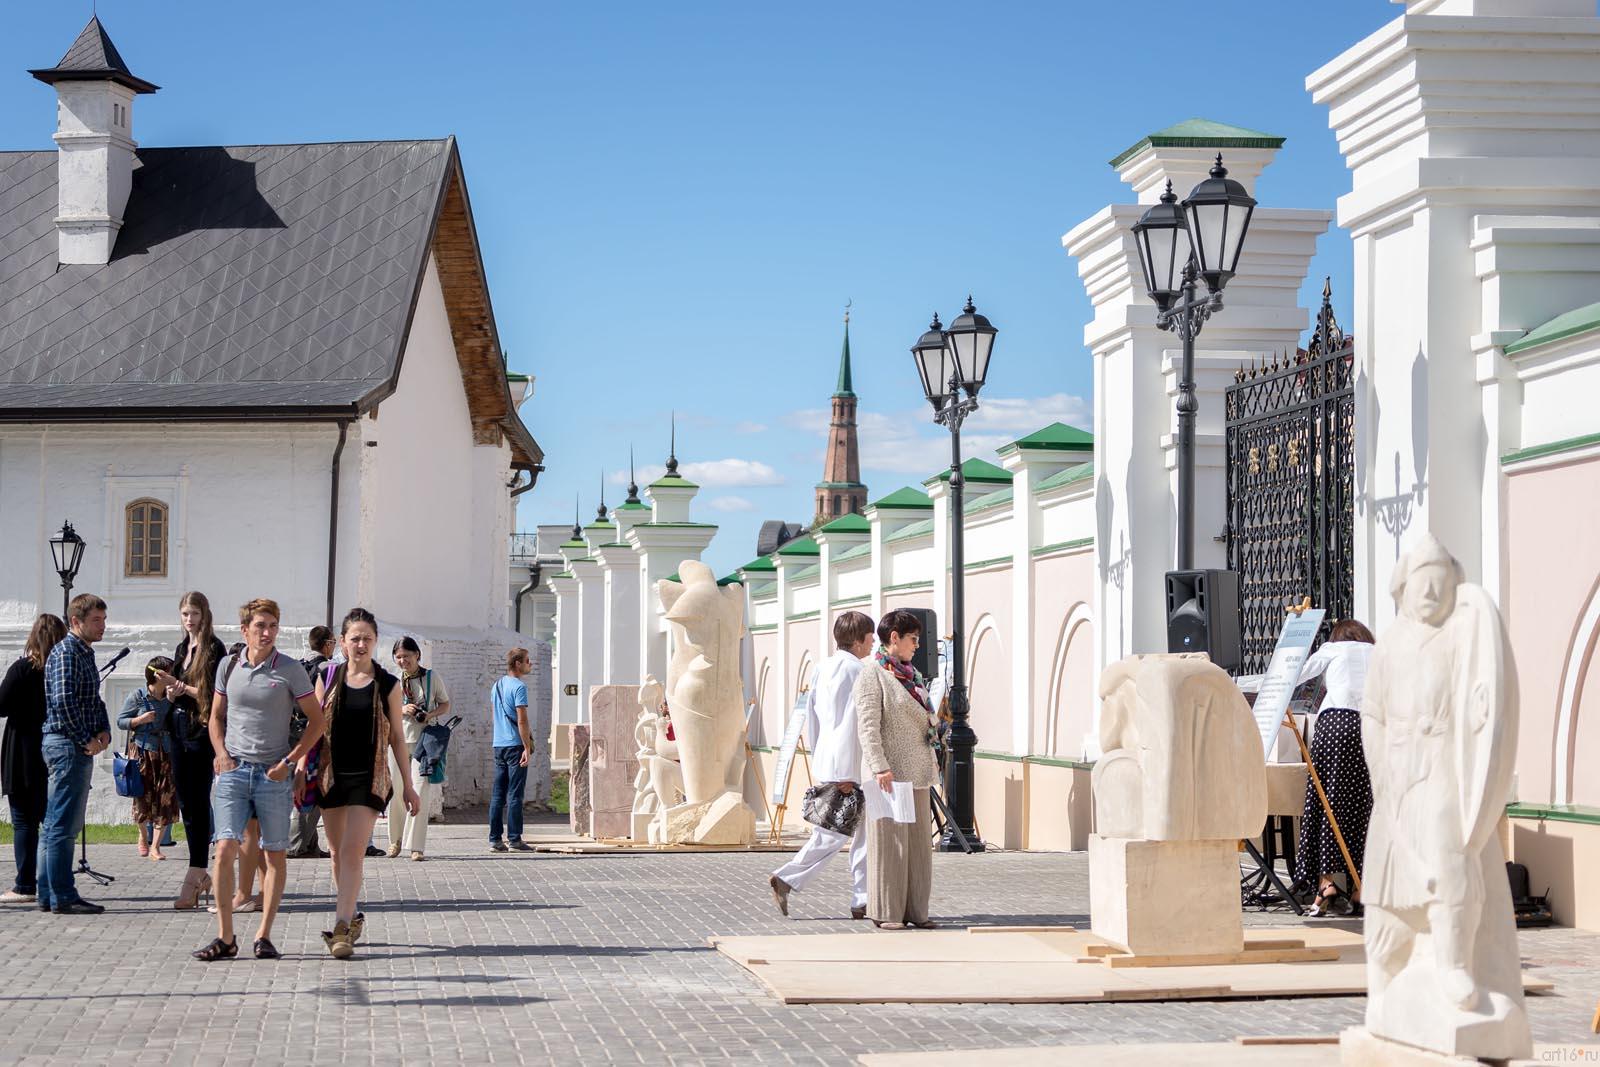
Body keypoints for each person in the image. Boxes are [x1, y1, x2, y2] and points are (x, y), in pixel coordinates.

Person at [192, 598, 324, 962]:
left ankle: (264, 935)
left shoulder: (291, 669)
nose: (267, 633)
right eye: (260, 626)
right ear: (245, 630)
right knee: (223, 849)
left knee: (275, 852)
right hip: (233, 770)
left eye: (272, 626)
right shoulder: (227, 666)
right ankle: (225, 937)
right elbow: (216, 716)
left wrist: (292, 761)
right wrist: (220, 753)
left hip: (272, 774)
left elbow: (317, 721)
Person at [312, 608, 420, 958]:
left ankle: (341, 927)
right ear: (342, 642)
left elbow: (398, 739)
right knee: (336, 852)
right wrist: (300, 765)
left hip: (369, 778)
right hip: (331, 774)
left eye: (367, 639)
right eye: (354, 638)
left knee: (352, 850)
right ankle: (352, 911)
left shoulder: (387, 684)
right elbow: (314, 730)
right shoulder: (327, 677)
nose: (361, 644)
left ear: (375, 643)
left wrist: (408, 784)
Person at [769, 611, 874, 920]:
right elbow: (852, 722)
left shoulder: (822, 667)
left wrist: (822, 761)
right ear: (857, 640)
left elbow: (815, 718)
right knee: (840, 835)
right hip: (851, 766)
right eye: (869, 638)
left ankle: (862, 897)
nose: (872, 644)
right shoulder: (858, 671)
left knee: (841, 833)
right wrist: (846, 773)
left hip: (831, 759)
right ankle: (790, 879)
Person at [854, 608, 939, 931]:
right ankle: (886, 911)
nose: (917, 646)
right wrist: (879, 767)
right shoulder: (872, 674)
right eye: (913, 639)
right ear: (894, 638)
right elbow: (868, 726)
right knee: (890, 843)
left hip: (916, 771)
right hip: (888, 773)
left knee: (918, 844)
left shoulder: (911, 675)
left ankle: (917, 911)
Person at [1293, 618, 1377, 917]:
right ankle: (1360, 888)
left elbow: (1296, 674)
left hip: (1335, 723)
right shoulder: (1378, 654)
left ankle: (1326, 883)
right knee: (1363, 806)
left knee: (1326, 802)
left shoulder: (1333, 649)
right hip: (1370, 727)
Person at [38, 594, 113, 916]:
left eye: (103, 620)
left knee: (56, 824)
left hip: (73, 743)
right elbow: (64, 702)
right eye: (96, 620)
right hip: (67, 745)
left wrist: (104, 730)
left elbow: (92, 699)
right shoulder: (67, 652)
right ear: (76, 622)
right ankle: (63, 895)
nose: (103, 626)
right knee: (62, 826)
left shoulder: (84, 653)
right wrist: (87, 740)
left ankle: (48, 893)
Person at [158, 592, 227, 909]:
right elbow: (180, 692)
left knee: (198, 802)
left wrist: (182, 687)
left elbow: (215, 695)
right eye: (185, 613)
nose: (189, 619)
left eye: (194, 613)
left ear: (204, 614)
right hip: (177, 728)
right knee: (185, 802)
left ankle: (197, 871)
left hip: (200, 731)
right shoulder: (182, 648)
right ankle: (198, 870)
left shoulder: (213, 648)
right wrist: (171, 693)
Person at [0, 614, 66, 904]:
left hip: (21, 751)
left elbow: (1, 705)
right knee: (48, 820)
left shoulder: (22, 669)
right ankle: (49, 881)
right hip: (52, 748)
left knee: (23, 822)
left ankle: (25, 884)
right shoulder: (60, 670)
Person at [387, 636, 450, 861]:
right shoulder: (393, 681)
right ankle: (395, 840)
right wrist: (402, 709)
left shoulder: (432, 677)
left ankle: (416, 846)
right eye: (399, 657)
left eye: (407, 656)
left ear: (417, 656)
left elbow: (445, 704)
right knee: (396, 790)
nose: (403, 661)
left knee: (420, 789)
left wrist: (429, 714)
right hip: (398, 742)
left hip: (425, 742)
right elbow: (384, 708)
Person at [118, 656, 181, 863]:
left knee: (165, 798)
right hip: (143, 752)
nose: (173, 675)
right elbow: (121, 721)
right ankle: (143, 836)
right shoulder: (138, 696)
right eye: (169, 672)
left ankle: (156, 846)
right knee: (142, 797)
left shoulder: (173, 697)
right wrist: (139, 720)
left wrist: (172, 701)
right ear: (158, 674)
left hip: (166, 752)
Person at [289, 625, 336, 859]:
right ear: (327, 644)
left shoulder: (297, 666)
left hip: (294, 731)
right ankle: (296, 843)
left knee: (305, 784)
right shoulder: (327, 669)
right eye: (334, 642)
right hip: (315, 734)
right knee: (311, 787)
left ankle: (310, 845)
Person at [488, 648, 535, 853]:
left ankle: (495, 839)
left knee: (498, 794)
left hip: (499, 744)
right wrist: (526, 746)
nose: (529, 664)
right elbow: (522, 719)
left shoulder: (496, 685)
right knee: (515, 794)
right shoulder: (519, 687)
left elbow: (494, 716)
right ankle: (515, 839)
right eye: (527, 661)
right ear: (517, 664)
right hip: (515, 745)